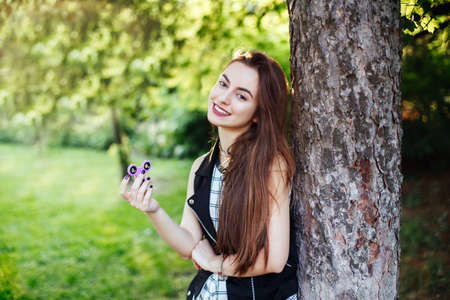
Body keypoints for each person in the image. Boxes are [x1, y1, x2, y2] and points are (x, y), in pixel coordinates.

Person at [120, 50, 298, 299]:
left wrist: (215, 263)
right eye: (223, 83)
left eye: (241, 96)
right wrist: (153, 210)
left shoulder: (272, 167)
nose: (223, 98)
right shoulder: (201, 167)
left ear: (258, 113)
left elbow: (274, 259)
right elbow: (189, 245)